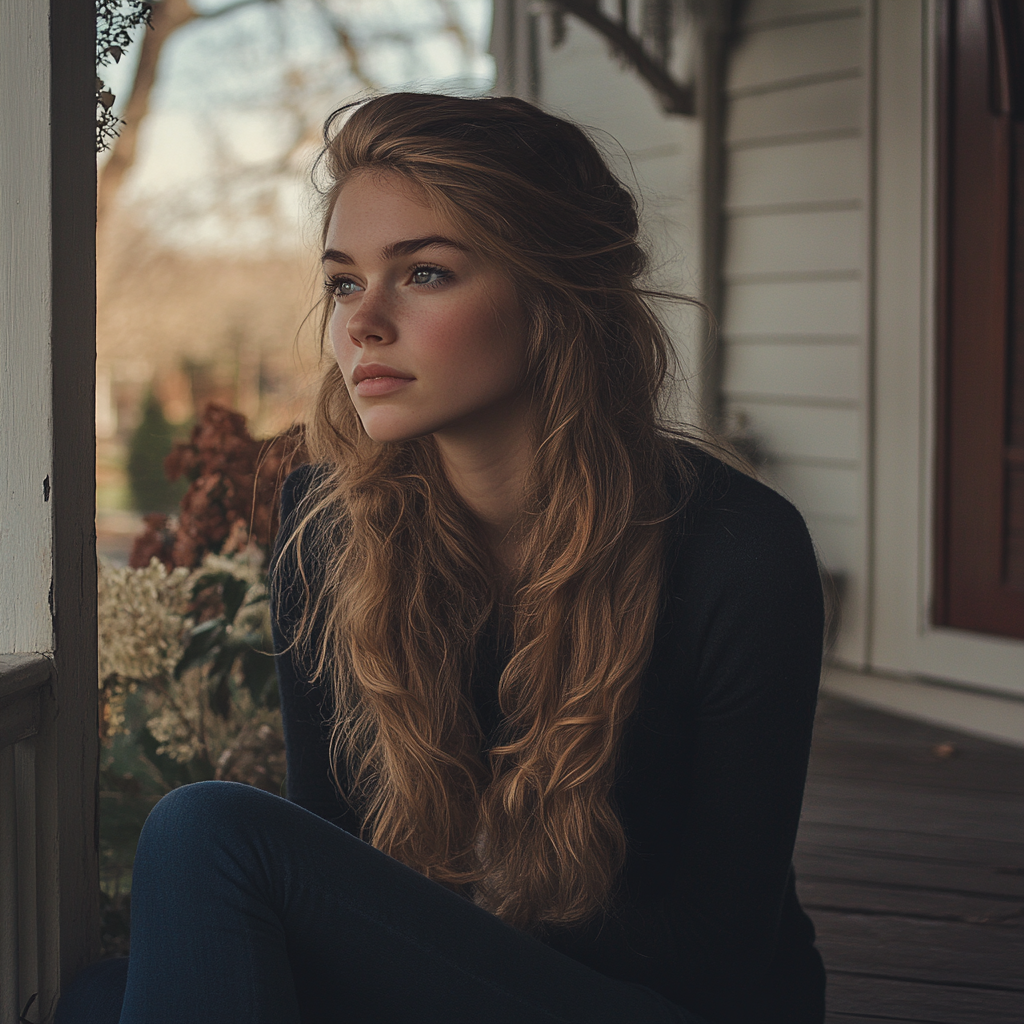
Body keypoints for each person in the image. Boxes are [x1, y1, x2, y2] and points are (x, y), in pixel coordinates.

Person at [57, 92, 826, 1024]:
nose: (362, 324)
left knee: (203, 835)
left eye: (423, 274)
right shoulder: (332, 526)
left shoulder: (737, 550)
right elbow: (333, 865)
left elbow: (717, 961)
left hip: (663, 1002)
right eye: (343, 282)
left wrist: (454, 910)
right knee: (100, 999)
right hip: (451, 977)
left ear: (553, 296)